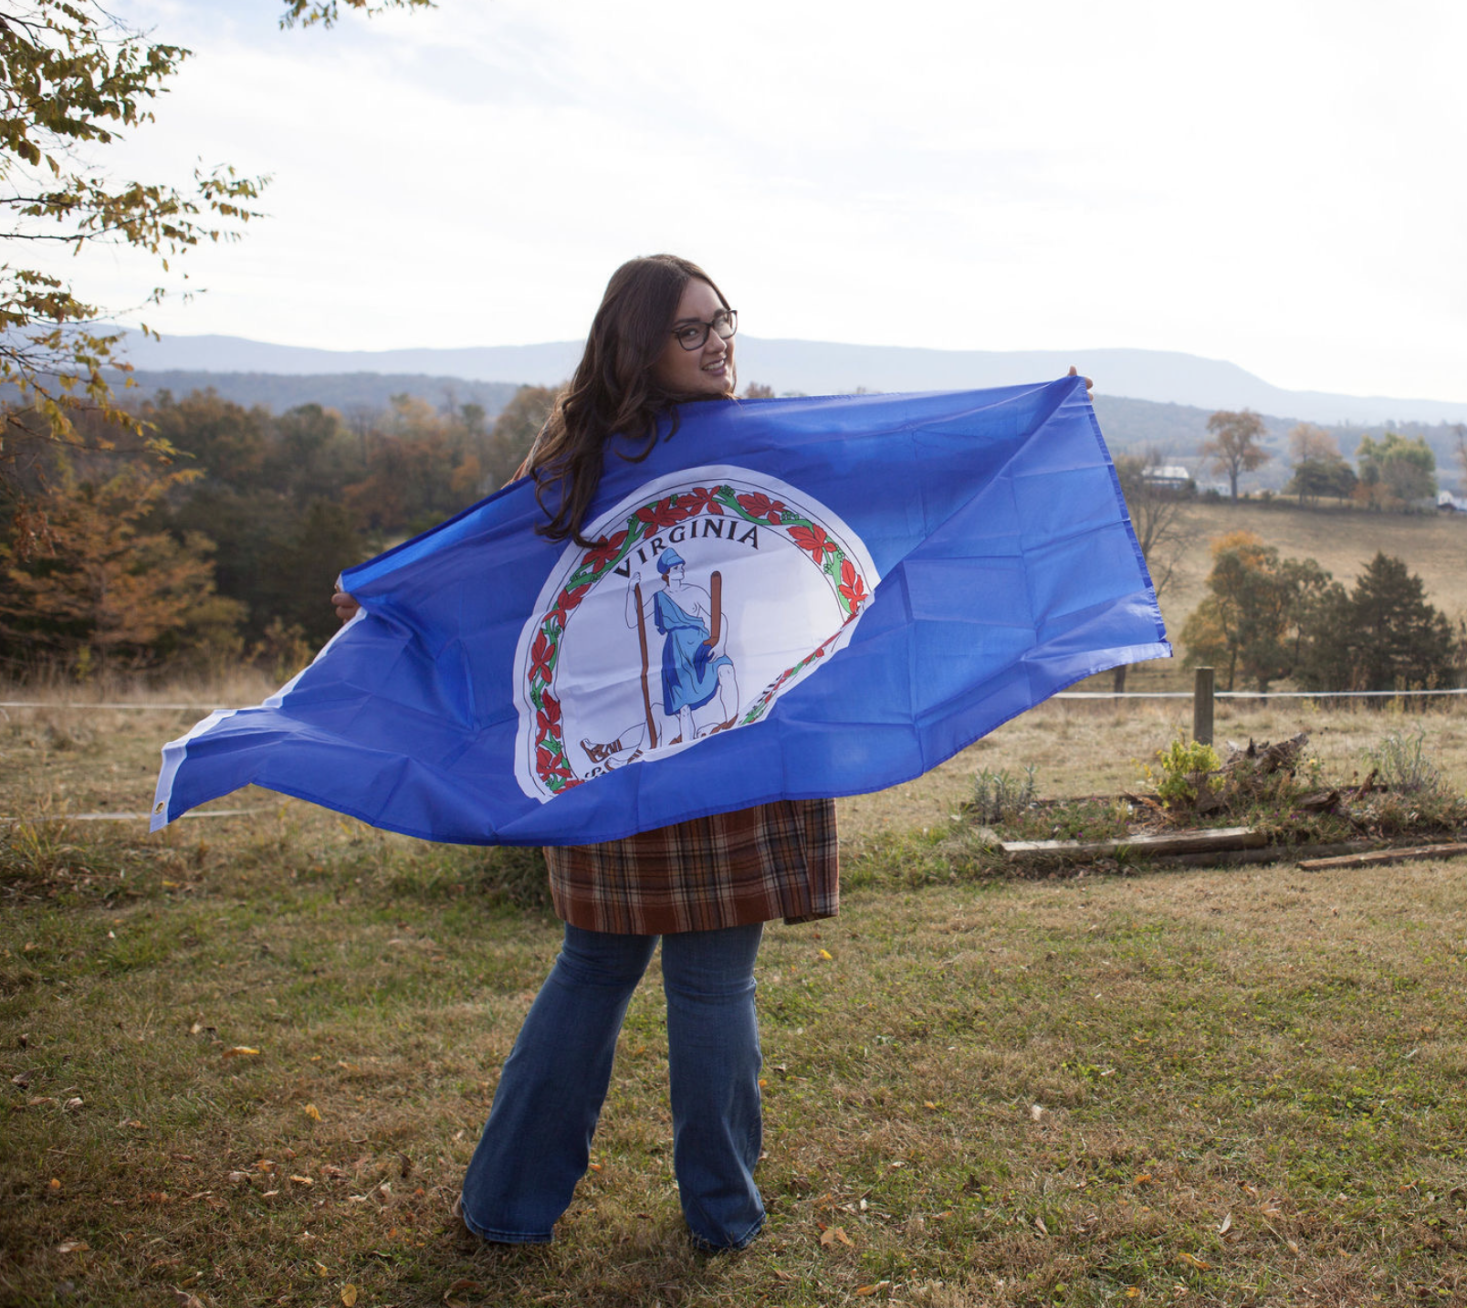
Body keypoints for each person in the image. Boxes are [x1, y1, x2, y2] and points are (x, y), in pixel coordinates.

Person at [328, 255, 1090, 1254]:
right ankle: (713, 1220)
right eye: (692, 330)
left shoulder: (591, 452)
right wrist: (394, 592)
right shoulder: (638, 456)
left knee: (609, 971)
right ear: (640, 343)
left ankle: (517, 1208)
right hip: (673, 763)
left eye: (723, 320)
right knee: (680, 982)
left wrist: (1024, 422)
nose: (719, 341)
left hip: (661, 765)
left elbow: (880, 480)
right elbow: (495, 568)